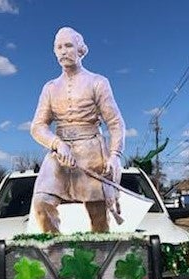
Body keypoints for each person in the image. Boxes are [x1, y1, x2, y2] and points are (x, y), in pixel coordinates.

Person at [30, 26, 125, 233]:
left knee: (99, 217)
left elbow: (116, 123)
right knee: (41, 202)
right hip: (60, 156)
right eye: (59, 47)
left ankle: (101, 258)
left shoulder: (98, 82)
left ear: (80, 50)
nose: (63, 51)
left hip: (92, 153)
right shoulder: (50, 88)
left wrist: (115, 155)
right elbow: (38, 126)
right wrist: (56, 143)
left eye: (68, 46)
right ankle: (55, 254)